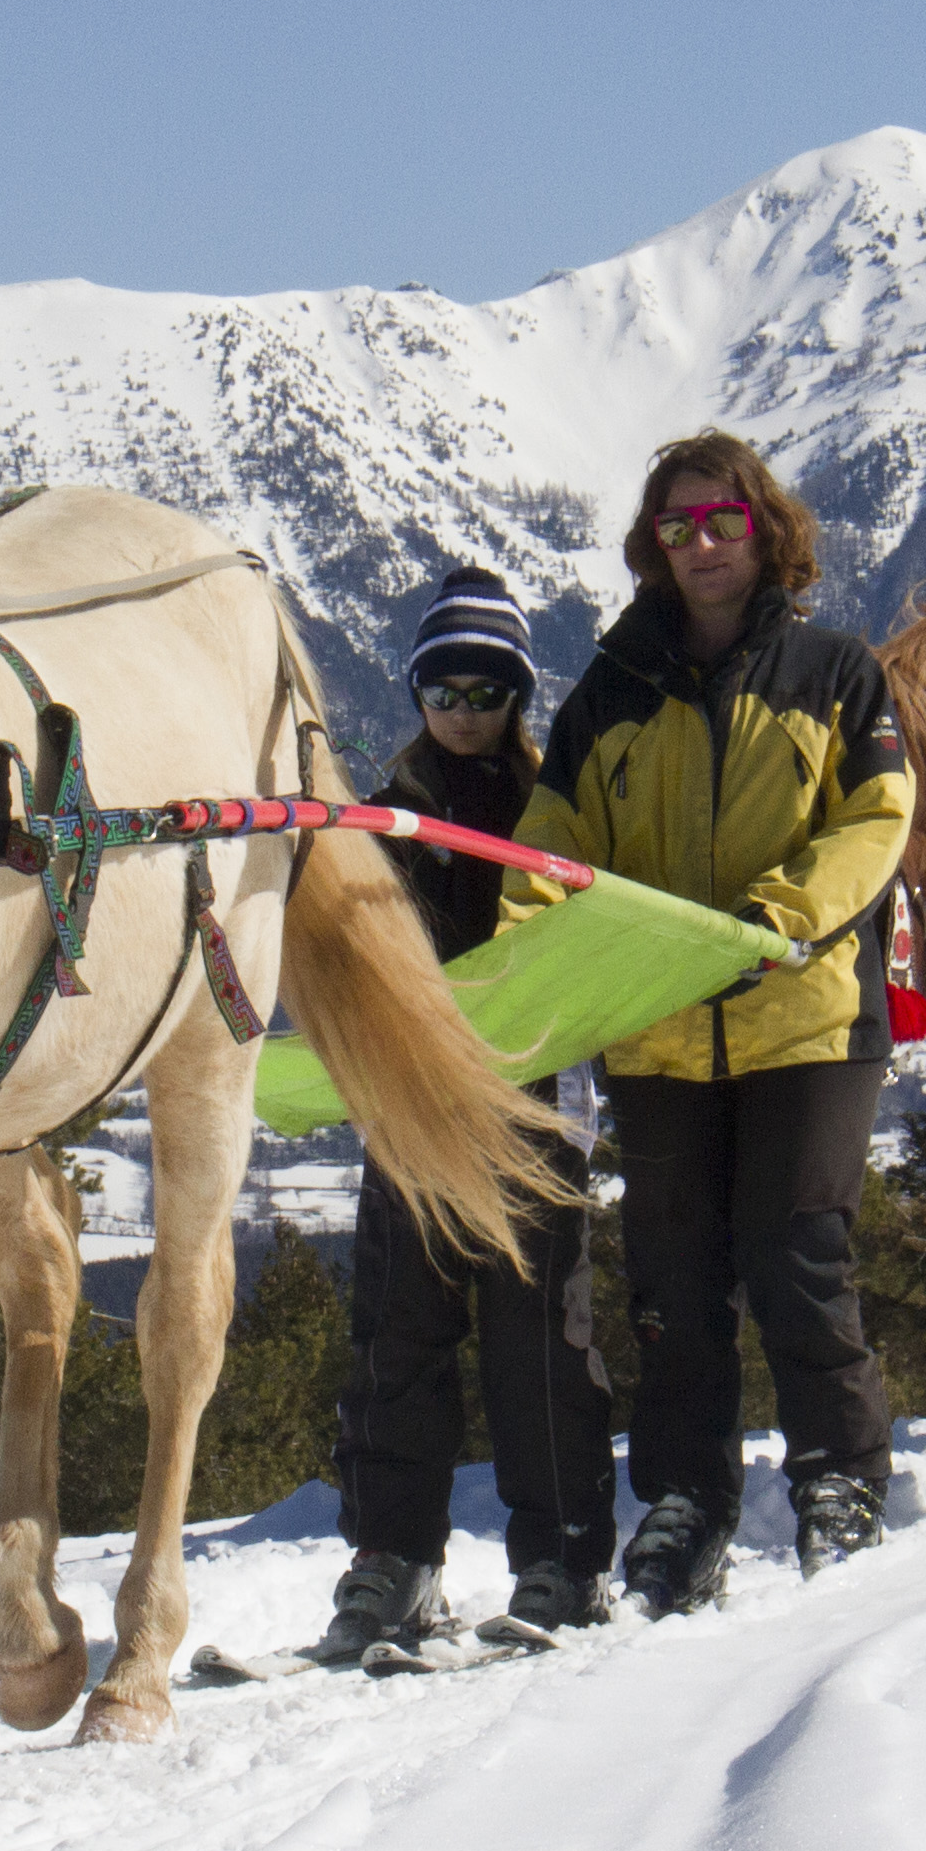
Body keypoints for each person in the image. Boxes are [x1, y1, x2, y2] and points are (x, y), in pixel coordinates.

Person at [503, 436, 915, 1616]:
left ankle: (839, 1476)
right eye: (675, 528)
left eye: (720, 520)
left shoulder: (837, 673)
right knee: (672, 1284)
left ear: (762, 525)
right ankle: (687, 1500)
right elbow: (547, 845)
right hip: (658, 1032)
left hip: (803, 1016)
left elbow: (875, 820)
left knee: (796, 1256)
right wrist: (540, 947)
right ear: (651, 547)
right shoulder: (609, 695)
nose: (700, 546)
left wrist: (772, 922)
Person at [300, 569, 624, 1663]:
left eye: (489, 686)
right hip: (414, 1108)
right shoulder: (383, 811)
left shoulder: (554, 807)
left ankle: (563, 1553)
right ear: (414, 688)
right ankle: (392, 1559)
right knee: (399, 1337)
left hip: (534, 1103)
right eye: (443, 683)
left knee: (539, 1342)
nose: (464, 706)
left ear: (519, 694)